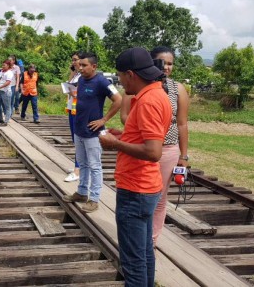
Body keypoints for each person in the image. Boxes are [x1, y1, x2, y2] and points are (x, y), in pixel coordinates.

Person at [98, 47, 172, 287]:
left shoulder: (148, 101)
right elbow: (146, 137)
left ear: (131, 74)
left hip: (136, 189)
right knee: (145, 252)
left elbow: (153, 152)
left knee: (133, 260)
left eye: (120, 76)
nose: (119, 82)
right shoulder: (158, 94)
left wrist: (115, 143)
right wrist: (125, 135)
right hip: (147, 187)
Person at [120, 46, 190, 245]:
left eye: (170, 63)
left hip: (167, 150)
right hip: (142, 148)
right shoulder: (134, 86)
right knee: (140, 194)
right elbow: (125, 116)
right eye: (161, 63)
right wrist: (146, 128)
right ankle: (140, 238)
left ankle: (151, 240)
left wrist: (183, 156)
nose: (166, 67)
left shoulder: (178, 89)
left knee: (159, 198)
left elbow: (182, 123)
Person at [61, 52, 122, 213]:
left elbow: (119, 100)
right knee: (82, 164)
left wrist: (104, 120)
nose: (80, 68)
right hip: (79, 129)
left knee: (95, 166)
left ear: (94, 66)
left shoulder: (102, 82)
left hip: (93, 132)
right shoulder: (81, 80)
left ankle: (94, 199)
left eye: (83, 65)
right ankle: (81, 192)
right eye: (79, 65)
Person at [64, 52, 81, 182]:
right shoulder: (75, 75)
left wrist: (73, 91)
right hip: (71, 108)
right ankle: (78, 167)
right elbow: (69, 84)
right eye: (72, 60)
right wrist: (72, 72)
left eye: (75, 60)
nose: (73, 62)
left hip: (78, 109)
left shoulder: (83, 76)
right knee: (74, 139)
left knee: (79, 139)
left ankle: (77, 169)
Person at [0, 60, 14, 126]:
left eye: (4, 65)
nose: (2, 66)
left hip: (6, 92)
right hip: (0, 91)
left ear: (8, 66)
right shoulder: (1, 72)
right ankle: (0, 119)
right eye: (2, 65)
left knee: (7, 107)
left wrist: (0, 87)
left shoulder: (10, 73)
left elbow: (8, 82)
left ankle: (6, 121)